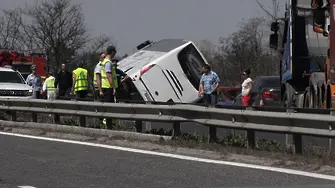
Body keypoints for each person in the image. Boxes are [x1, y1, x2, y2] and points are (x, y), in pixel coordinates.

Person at [99, 45, 118, 129]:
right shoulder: (108, 63)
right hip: (108, 88)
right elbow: (109, 76)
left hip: (105, 87)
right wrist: (113, 88)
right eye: (115, 52)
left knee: (109, 108)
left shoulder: (104, 61)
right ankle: (108, 126)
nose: (115, 54)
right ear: (112, 52)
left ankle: (108, 125)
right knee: (109, 108)